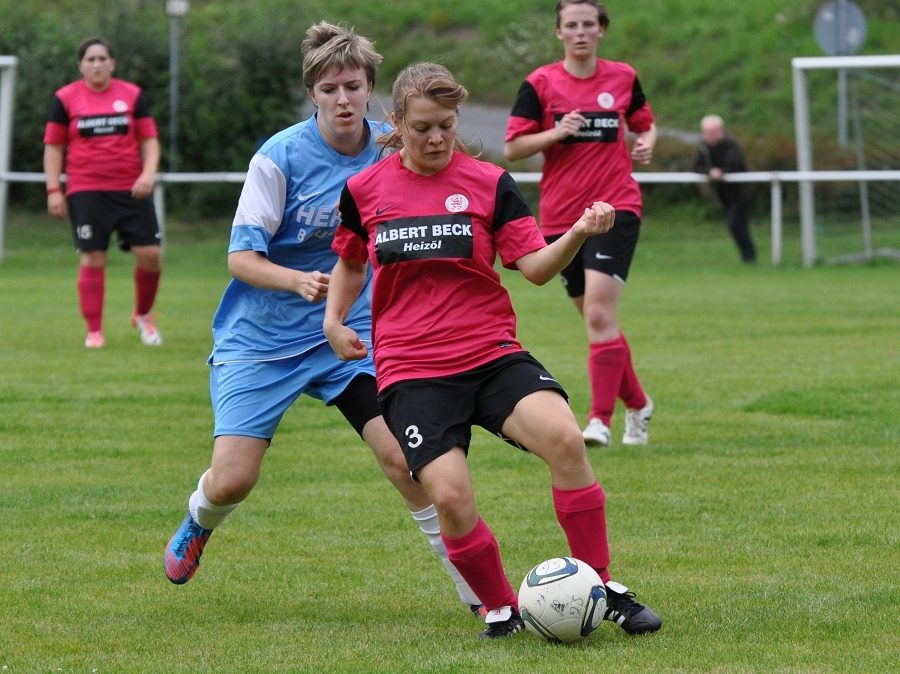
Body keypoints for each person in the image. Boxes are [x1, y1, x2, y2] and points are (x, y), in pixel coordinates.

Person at [324, 62, 662, 639]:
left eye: (446, 126)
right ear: (397, 123)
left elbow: (534, 268)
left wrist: (577, 233)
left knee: (565, 439)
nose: (436, 138)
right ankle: (502, 608)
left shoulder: (489, 182)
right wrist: (333, 320)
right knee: (451, 497)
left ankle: (601, 586)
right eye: (422, 127)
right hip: (413, 369)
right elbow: (352, 262)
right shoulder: (364, 190)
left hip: (490, 353)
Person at [162, 23, 483, 618]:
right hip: (262, 338)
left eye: (353, 86)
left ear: (370, 90)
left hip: (351, 333)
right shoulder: (279, 157)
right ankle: (199, 519)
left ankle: (476, 590)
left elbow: (446, 193)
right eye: (330, 89)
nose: (343, 99)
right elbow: (239, 259)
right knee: (233, 480)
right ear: (312, 93)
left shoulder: (391, 147)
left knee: (404, 459)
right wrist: (296, 280)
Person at [503, 0, 656, 448]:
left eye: (589, 24)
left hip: (616, 208)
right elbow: (513, 148)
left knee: (598, 314)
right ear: (559, 32)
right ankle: (639, 403)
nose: (581, 32)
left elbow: (645, 125)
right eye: (571, 25)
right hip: (563, 218)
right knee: (596, 320)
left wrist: (646, 142)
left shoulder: (623, 77)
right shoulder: (540, 83)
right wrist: (557, 132)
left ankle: (599, 421)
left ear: (601, 29)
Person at [43, 37, 163, 349]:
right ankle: (94, 331)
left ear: (112, 63)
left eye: (102, 59)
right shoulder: (65, 98)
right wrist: (54, 189)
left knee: (151, 256)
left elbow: (149, 141)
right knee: (94, 257)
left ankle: (143, 315)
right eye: (90, 59)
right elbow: (54, 147)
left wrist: (148, 174)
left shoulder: (132, 95)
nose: (96, 64)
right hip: (86, 189)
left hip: (131, 188)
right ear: (80, 65)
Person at [692, 114, 757, 263]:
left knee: (735, 223)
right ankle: (748, 257)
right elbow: (696, 167)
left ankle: (749, 257)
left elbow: (735, 164)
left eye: (713, 131)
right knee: (737, 225)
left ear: (721, 130)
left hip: (741, 192)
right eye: (707, 132)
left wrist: (720, 172)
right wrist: (710, 172)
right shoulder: (704, 147)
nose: (710, 135)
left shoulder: (731, 145)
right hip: (725, 194)